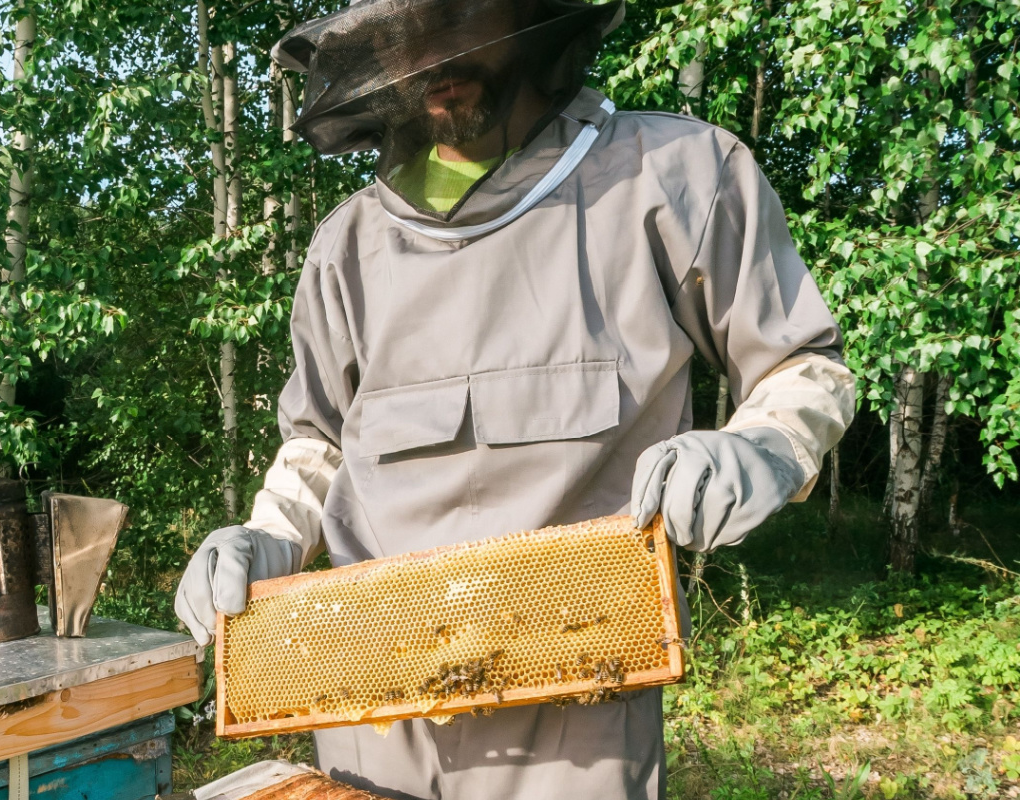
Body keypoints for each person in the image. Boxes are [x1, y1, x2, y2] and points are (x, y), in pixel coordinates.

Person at [175, 0, 856, 797]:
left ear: (528, 20)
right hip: (366, 707)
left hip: (576, 717)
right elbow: (319, 444)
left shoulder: (675, 174)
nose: (432, 66)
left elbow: (799, 365)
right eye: (403, 44)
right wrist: (269, 535)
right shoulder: (346, 247)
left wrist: (765, 444)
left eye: (455, 27)